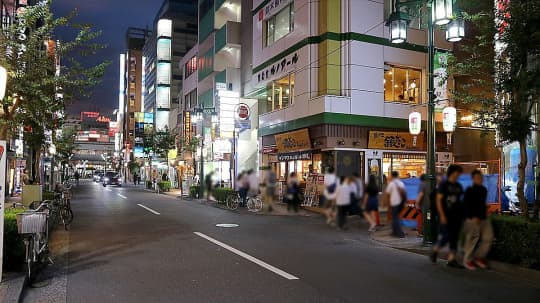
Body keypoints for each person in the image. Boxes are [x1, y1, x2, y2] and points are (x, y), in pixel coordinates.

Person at [430, 164, 464, 267]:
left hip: (456, 216)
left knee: (455, 237)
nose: (458, 175)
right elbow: (438, 200)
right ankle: (436, 250)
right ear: (452, 172)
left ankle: (451, 259)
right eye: (457, 172)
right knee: (447, 235)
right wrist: (442, 215)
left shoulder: (458, 186)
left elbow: (459, 201)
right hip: (446, 214)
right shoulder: (444, 185)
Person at [463, 170, 493, 270]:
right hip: (473, 218)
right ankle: (468, 260)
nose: (479, 180)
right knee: (472, 238)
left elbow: (481, 203)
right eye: (477, 178)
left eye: (480, 178)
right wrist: (473, 216)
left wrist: (485, 211)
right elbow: (467, 205)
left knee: (488, 237)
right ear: (473, 179)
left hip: (483, 217)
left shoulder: (483, 189)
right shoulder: (469, 190)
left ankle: (479, 257)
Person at [385, 171, 406, 238]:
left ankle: (400, 233)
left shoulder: (391, 184)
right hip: (401, 203)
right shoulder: (401, 183)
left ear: (392, 176)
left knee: (395, 218)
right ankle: (394, 231)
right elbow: (404, 193)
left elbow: (387, 194)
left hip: (394, 203)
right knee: (395, 217)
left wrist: (387, 203)